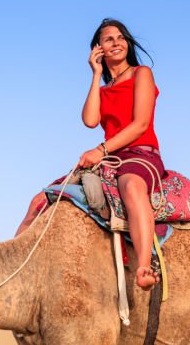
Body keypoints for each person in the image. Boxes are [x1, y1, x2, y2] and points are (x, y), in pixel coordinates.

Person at [16, 18, 164, 290]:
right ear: (98, 49)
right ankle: (14, 265)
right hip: (108, 159)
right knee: (40, 199)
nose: (116, 42)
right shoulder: (104, 88)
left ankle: (144, 266)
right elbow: (90, 120)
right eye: (108, 39)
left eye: (121, 37)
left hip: (140, 153)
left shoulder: (142, 74)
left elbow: (141, 123)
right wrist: (96, 74)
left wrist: (101, 149)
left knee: (131, 187)